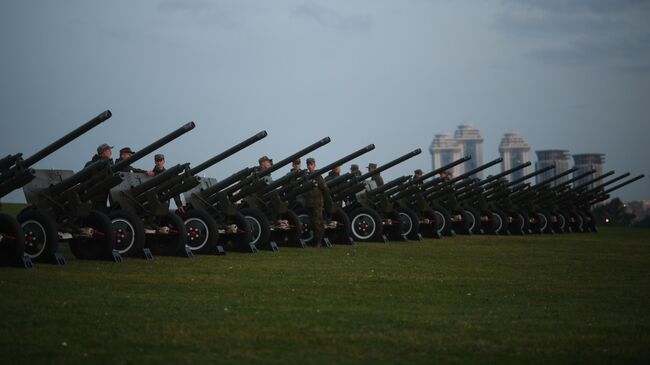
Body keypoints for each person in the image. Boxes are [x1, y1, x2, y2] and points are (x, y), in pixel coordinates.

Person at [303, 157, 329, 247]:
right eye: (308, 164)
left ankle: (318, 241)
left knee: (318, 222)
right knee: (311, 222)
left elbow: (325, 188)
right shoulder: (306, 176)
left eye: (311, 164)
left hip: (317, 203)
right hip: (309, 203)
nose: (309, 166)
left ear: (314, 165)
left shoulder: (318, 176)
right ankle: (314, 239)